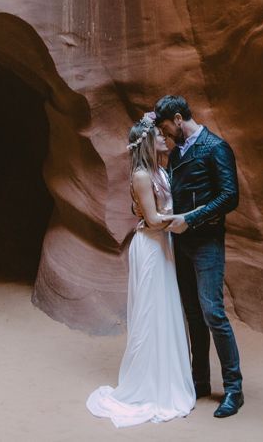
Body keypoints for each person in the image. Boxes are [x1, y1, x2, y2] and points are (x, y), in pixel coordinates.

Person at [86, 115, 195, 427]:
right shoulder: (142, 175)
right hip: (150, 247)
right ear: (147, 142)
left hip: (163, 246)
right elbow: (153, 219)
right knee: (150, 313)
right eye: (158, 135)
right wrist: (190, 216)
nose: (164, 137)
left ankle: (167, 380)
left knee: (166, 311)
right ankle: (147, 386)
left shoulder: (160, 170)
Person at [154, 95, 244, 418]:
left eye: (166, 128)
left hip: (207, 242)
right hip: (181, 243)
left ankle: (234, 388)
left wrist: (191, 218)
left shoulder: (216, 148)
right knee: (192, 314)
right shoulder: (176, 154)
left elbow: (230, 196)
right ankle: (200, 381)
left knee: (212, 312)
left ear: (179, 119)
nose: (165, 136)